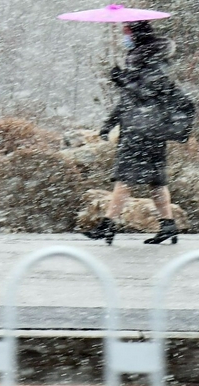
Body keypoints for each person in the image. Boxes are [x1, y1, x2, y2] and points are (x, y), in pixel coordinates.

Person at [83, 20, 185, 245]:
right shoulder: (143, 58)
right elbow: (129, 101)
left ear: (136, 33)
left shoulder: (152, 60)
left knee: (125, 179)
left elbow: (148, 92)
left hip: (142, 130)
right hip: (148, 129)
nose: (123, 36)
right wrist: (109, 123)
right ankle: (168, 225)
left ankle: (108, 225)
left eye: (126, 31)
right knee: (157, 182)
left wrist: (123, 80)